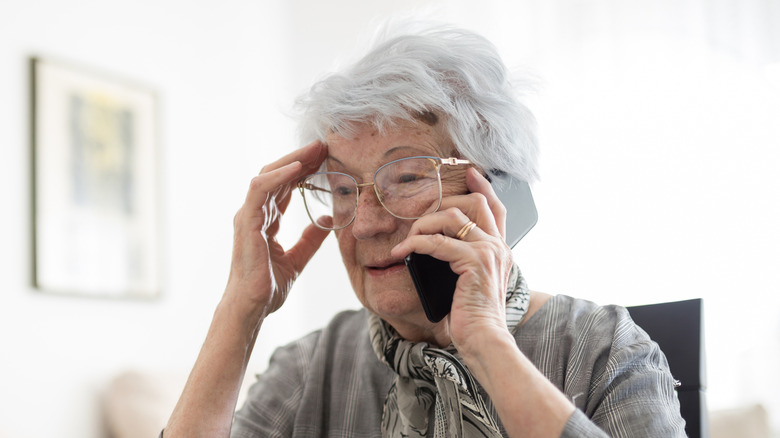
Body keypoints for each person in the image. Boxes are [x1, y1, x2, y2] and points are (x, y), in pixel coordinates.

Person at [163, 23, 685, 438]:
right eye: (343, 189)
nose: (365, 223)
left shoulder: (602, 351)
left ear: (497, 191)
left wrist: (486, 345)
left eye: (407, 177)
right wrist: (241, 310)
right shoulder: (311, 366)